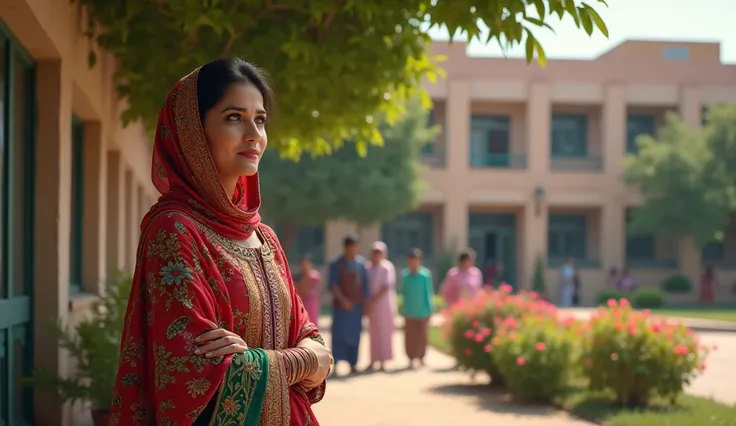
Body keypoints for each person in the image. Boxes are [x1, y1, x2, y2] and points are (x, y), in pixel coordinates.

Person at [108, 59, 332, 426]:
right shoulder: (175, 230)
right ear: (193, 132)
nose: (254, 134)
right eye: (233, 117)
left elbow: (310, 336)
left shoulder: (266, 238)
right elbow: (192, 374)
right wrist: (303, 361)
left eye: (259, 119)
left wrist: (268, 360)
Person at [329, 234, 370, 375]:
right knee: (339, 336)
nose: (353, 249)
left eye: (355, 246)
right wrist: (343, 301)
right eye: (351, 246)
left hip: (356, 307)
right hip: (341, 307)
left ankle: (353, 364)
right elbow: (334, 285)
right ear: (345, 247)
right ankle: (336, 365)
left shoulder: (361, 264)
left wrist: (365, 303)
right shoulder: (337, 264)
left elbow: (365, 285)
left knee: (355, 335)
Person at [365, 241, 397, 372]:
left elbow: (386, 286)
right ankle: (373, 360)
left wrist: (374, 299)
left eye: (379, 252)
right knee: (372, 333)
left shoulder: (387, 267)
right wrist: (368, 301)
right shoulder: (368, 267)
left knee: (384, 332)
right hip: (372, 306)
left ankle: (383, 360)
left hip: (384, 305)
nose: (376, 255)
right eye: (374, 252)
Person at [400, 248, 435, 368]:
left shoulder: (425, 275)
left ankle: (421, 357)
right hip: (409, 311)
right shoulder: (405, 275)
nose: (413, 262)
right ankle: (410, 357)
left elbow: (428, 293)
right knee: (410, 337)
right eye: (411, 260)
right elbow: (403, 293)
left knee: (422, 336)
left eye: (415, 260)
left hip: (422, 311)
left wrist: (430, 310)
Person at [295, 254, 323, 323]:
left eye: (306, 264)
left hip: (312, 305)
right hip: (301, 305)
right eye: (303, 264)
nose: (305, 266)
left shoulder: (315, 277)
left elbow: (317, 291)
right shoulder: (297, 277)